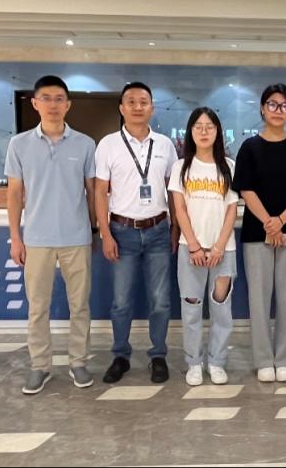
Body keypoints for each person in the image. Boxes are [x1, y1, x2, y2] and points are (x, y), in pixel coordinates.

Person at [6, 75, 97, 395]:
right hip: (37, 239)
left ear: (68, 104)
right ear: (35, 104)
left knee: (80, 306)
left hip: (76, 237)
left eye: (59, 98)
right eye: (46, 98)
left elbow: (92, 192)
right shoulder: (19, 145)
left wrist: (94, 230)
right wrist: (16, 237)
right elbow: (14, 194)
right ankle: (40, 366)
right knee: (37, 308)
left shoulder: (85, 144)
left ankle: (78, 362)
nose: (53, 104)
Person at [233, 84, 286, 383]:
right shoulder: (249, 147)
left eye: (284, 105)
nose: (278, 110)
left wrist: (280, 220)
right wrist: (269, 222)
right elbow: (246, 189)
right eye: (272, 104)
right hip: (257, 233)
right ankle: (262, 360)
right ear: (262, 108)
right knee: (258, 299)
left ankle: (285, 358)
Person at [94, 82, 179, 384]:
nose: (138, 106)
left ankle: (158, 356)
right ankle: (121, 355)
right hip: (122, 231)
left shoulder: (165, 145)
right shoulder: (108, 145)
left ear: (152, 108)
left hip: (158, 230)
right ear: (121, 108)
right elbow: (100, 192)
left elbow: (173, 191)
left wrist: (175, 228)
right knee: (121, 301)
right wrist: (105, 234)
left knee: (161, 301)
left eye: (144, 101)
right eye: (131, 101)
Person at [168, 107, 239, 386]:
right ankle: (194, 363)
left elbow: (231, 209)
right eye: (198, 126)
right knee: (191, 309)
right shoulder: (181, 167)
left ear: (218, 131)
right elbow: (180, 210)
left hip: (224, 250)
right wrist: (195, 246)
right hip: (191, 250)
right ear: (190, 131)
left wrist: (219, 247)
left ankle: (217, 362)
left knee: (221, 309)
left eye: (210, 126)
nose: (204, 131)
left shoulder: (229, 166)